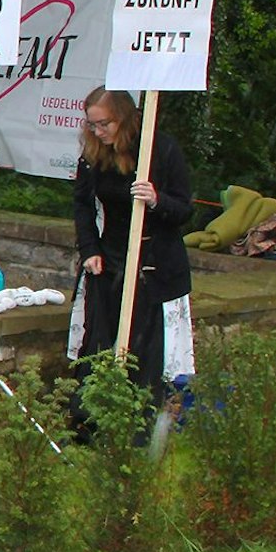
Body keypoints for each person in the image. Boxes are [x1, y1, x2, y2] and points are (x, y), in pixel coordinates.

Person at [68, 86, 194, 394]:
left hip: (154, 267)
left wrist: (156, 199)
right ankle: (91, 421)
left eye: (104, 124)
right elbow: (83, 205)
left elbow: (185, 210)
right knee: (98, 346)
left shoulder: (160, 150)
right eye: (91, 125)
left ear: (124, 119)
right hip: (109, 261)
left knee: (145, 356)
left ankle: (140, 427)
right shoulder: (93, 155)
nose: (97, 132)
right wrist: (89, 249)